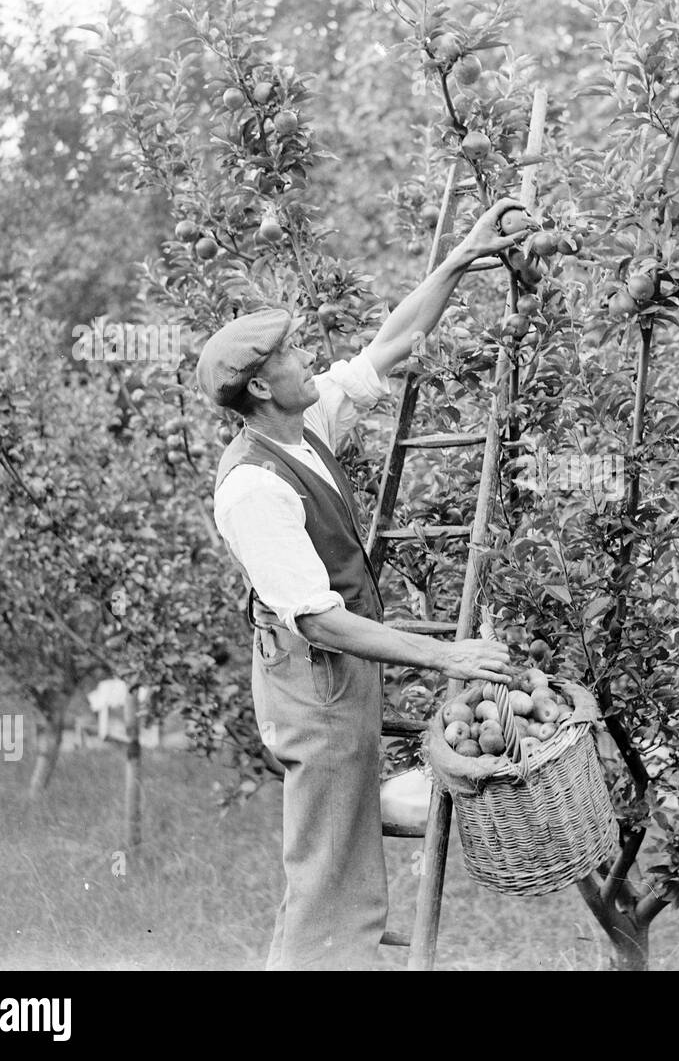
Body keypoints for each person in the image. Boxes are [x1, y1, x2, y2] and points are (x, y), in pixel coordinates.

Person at [195, 198, 530, 970]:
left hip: (340, 679)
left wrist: (461, 257)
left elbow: (393, 342)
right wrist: (446, 657)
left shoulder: (305, 430)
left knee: (345, 869)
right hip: (313, 684)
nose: (303, 361)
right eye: (286, 358)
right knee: (324, 878)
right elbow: (317, 620)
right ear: (257, 390)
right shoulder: (253, 487)